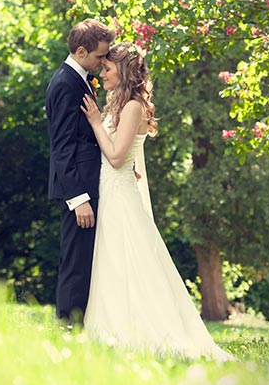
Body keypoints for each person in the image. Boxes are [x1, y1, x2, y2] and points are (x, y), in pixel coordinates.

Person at [80, 42, 232, 361]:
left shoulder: (133, 106)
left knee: (128, 261)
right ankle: (109, 328)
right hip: (111, 190)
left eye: (107, 69)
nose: (102, 74)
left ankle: (137, 332)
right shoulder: (117, 104)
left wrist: (95, 122)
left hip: (118, 195)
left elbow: (118, 157)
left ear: (122, 72)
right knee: (111, 261)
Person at [46, 19, 114, 326]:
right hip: (78, 192)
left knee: (85, 261)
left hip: (88, 187)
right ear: (82, 50)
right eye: (100, 56)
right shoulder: (64, 84)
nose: (103, 62)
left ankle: (79, 325)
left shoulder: (80, 79)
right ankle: (67, 328)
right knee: (75, 263)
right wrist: (78, 198)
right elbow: (61, 146)